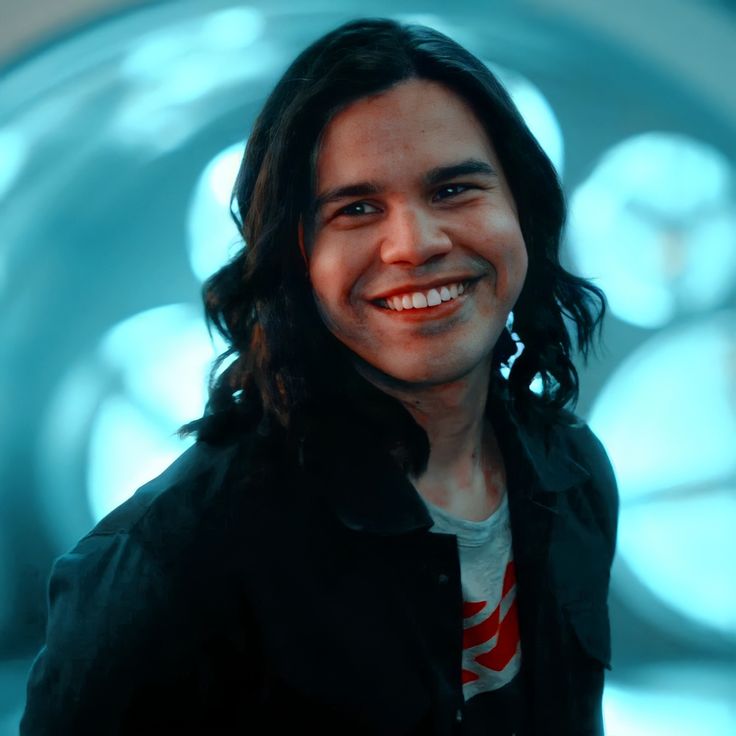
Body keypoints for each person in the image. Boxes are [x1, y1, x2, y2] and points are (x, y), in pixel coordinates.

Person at [21, 17, 618, 736]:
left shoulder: (571, 472)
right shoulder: (175, 561)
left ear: (524, 211)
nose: (416, 244)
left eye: (455, 189)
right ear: (292, 256)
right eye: (357, 208)